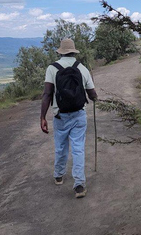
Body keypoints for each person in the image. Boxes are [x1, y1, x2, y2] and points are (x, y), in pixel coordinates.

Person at [40, 38, 98, 198]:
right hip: (79, 114)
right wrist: (95, 97)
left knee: (60, 146)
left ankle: (59, 175)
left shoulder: (52, 68)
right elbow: (92, 94)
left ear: (60, 52)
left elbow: (47, 94)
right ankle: (79, 185)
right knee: (78, 148)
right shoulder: (82, 68)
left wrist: (42, 117)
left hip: (60, 115)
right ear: (74, 51)